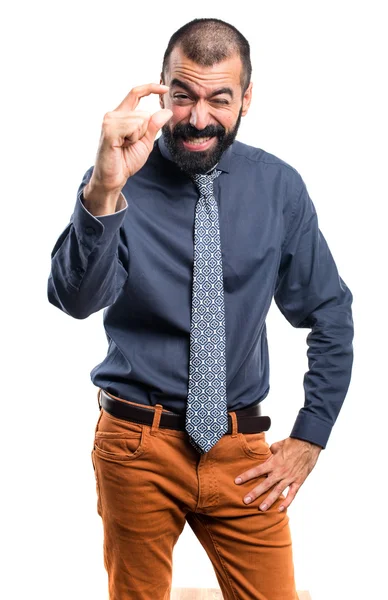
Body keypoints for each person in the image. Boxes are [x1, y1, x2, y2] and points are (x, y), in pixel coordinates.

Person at [47, 17, 354, 600]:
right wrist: (104, 190)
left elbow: (330, 314)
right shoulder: (117, 180)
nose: (197, 117)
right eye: (183, 95)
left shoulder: (279, 188)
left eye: (220, 99)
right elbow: (75, 299)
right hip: (138, 444)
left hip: (241, 451)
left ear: (246, 98)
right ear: (162, 90)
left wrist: (309, 437)